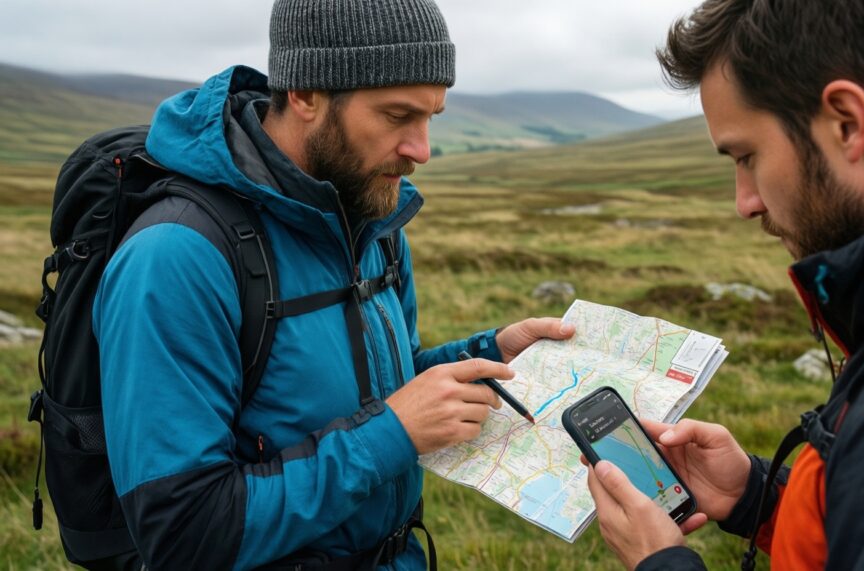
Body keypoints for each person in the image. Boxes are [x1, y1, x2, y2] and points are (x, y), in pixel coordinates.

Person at [91, 0, 573, 569]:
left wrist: (488, 357)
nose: (421, 149)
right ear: (306, 95)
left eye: (430, 118)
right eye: (397, 116)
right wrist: (394, 435)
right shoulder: (175, 258)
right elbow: (183, 534)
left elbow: (373, 391)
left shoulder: (373, 224)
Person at [585, 0, 864, 569]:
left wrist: (663, 563)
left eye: (747, 155)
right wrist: (758, 499)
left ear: (847, 122)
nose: (745, 202)